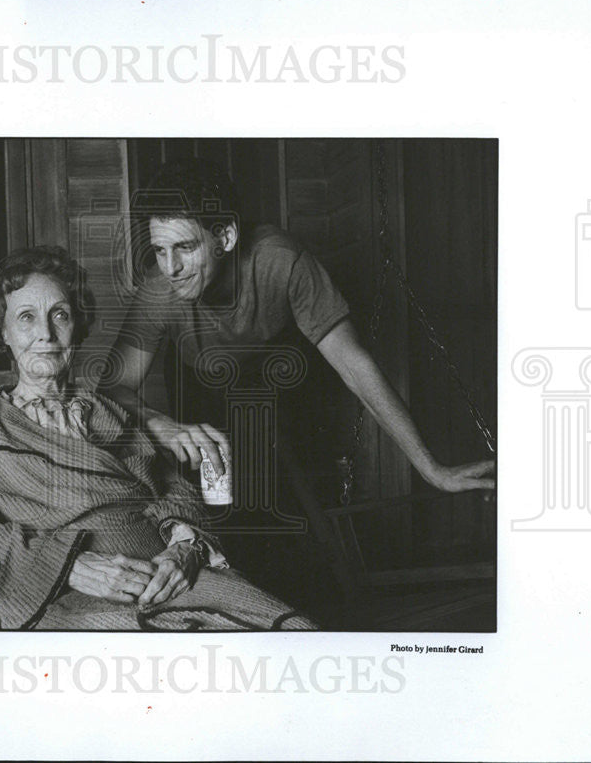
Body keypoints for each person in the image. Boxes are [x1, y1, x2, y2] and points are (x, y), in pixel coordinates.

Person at [100, 160, 495, 606]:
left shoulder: (281, 261)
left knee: (300, 521)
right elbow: (112, 388)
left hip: (282, 383)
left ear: (225, 237)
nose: (170, 267)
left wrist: (431, 468)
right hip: (203, 388)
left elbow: (355, 367)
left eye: (185, 248)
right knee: (214, 509)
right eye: (159, 250)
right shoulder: (160, 290)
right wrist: (162, 425)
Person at [0, 246, 316, 631]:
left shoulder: (110, 412)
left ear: (76, 324)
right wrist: (68, 568)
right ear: (3, 331)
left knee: (294, 633)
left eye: (59, 314)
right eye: (26, 317)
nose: (45, 333)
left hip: (170, 579)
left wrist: (185, 550)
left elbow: (175, 493)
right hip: (65, 595)